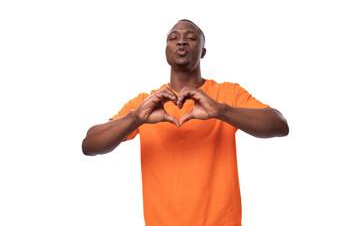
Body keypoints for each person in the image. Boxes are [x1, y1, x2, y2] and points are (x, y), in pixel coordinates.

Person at [82, 19, 289, 226]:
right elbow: (89, 145)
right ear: (165, 51)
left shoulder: (227, 94)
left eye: (191, 38)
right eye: (173, 38)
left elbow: (279, 124)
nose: (181, 42)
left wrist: (220, 110)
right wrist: (135, 118)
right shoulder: (145, 104)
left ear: (203, 52)